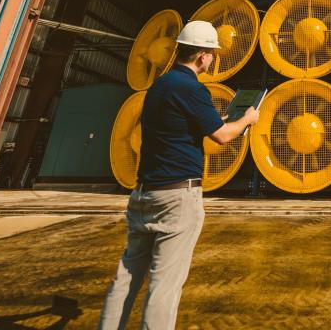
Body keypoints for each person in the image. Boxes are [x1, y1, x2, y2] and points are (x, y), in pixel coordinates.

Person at [98, 20, 259, 329]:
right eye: (212, 53)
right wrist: (247, 119)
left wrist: (221, 119)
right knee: (165, 284)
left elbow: (188, 123)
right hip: (176, 196)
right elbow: (223, 136)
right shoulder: (192, 89)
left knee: (127, 275)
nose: (213, 59)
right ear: (202, 56)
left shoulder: (159, 85)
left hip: (143, 194)